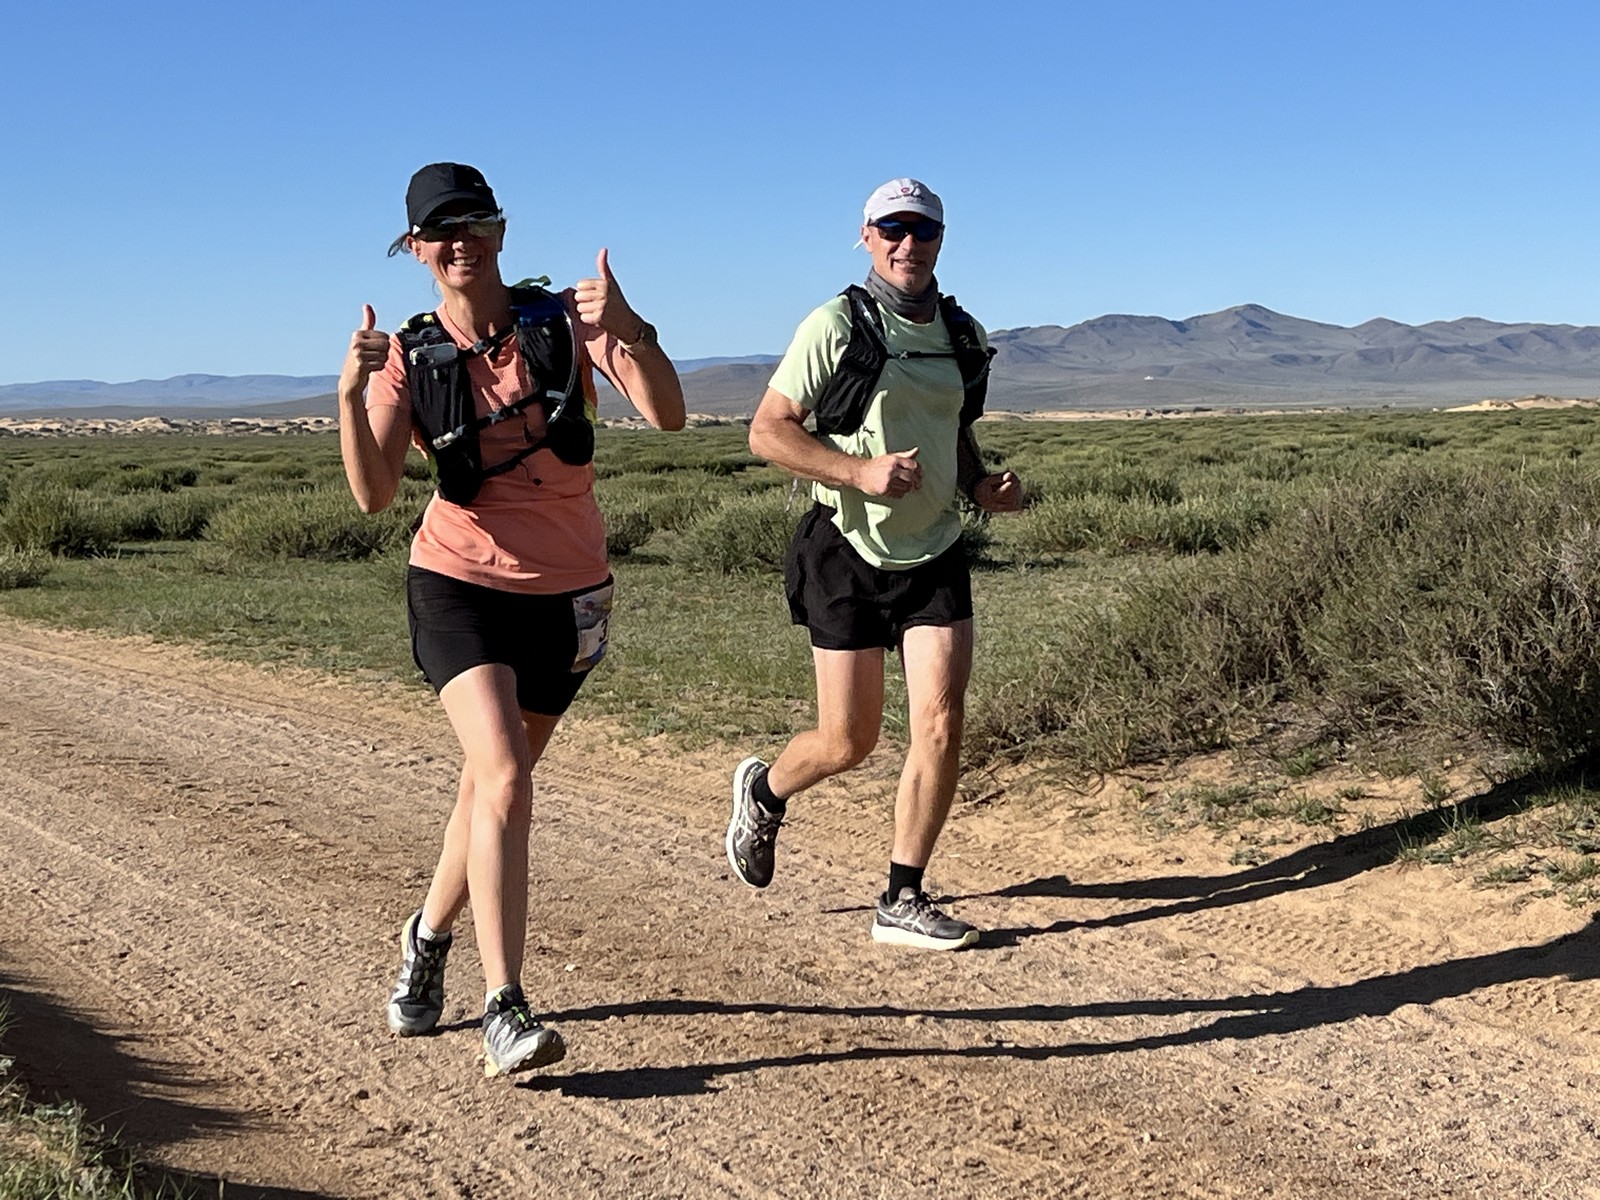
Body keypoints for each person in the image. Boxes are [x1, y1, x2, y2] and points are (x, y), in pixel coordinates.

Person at [338, 162, 684, 1076]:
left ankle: (426, 936)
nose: (460, 243)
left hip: (567, 595)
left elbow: (669, 414)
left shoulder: (566, 321)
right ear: (416, 249)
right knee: (503, 777)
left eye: (475, 224)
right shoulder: (408, 356)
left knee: (491, 791)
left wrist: (629, 326)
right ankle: (506, 1007)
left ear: (500, 231)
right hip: (458, 585)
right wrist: (348, 398)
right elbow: (374, 495)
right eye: (439, 232)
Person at [727, 177, 1023, 950]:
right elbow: (768, 430)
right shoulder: (835, 324)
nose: (907, 243)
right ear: (866, 236)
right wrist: (857, 472)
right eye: (892, 229)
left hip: (935, 550)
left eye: (922, 230)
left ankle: (903, 896)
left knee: (941, 722)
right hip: (845, 550)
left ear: (941, 240)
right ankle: (766, 791)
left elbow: (955, 432)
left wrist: (981, 486)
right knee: (848, 742)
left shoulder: (962, 334)